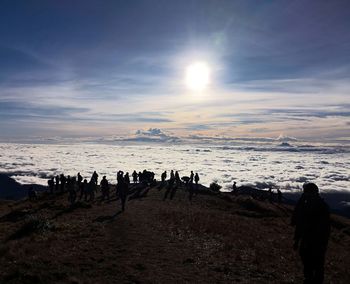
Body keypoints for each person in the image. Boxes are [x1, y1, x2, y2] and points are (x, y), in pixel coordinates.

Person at [291, 183, 330, 284]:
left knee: (316, 263)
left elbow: (324, 227)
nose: (305, 194)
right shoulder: (307, 204)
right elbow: (299, 220)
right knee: (307, 258)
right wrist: (297, 239)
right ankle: (309, 279)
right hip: (309, 239)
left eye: (306, 192)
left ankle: (314, 280)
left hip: (317, 240)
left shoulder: (320, 206)